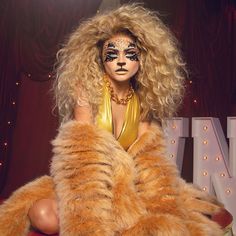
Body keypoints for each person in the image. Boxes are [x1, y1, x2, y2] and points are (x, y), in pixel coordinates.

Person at [0, 4, 225, 236]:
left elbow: (147, 161)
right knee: (43, 215)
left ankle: (121, 220)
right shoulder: (87, 92)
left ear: (142, 60)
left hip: (126, 187)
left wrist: (155, 199)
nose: (120, 61)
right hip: (91, 183)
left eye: (130, 54)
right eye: (112, 53)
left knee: (191, 215)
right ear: (101, 58)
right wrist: (86, 219)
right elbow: (82, 159)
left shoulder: (142, 102)